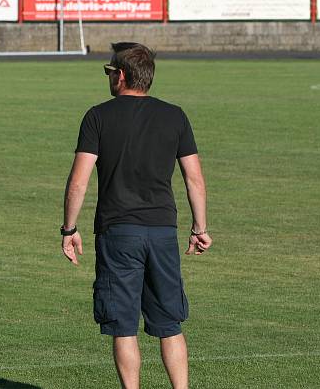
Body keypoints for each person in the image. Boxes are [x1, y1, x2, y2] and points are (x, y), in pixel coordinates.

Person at [60, 42, 212, 389]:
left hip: (118, 234)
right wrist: (199, 227)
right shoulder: (175, 116)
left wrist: (69, 228)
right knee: (169, 324)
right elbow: (195, 178)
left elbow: (78, 181)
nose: (109, 77)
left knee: (123, 325)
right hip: (162, 232)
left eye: (110, 71)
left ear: (122, 76)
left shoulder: (98, 116)